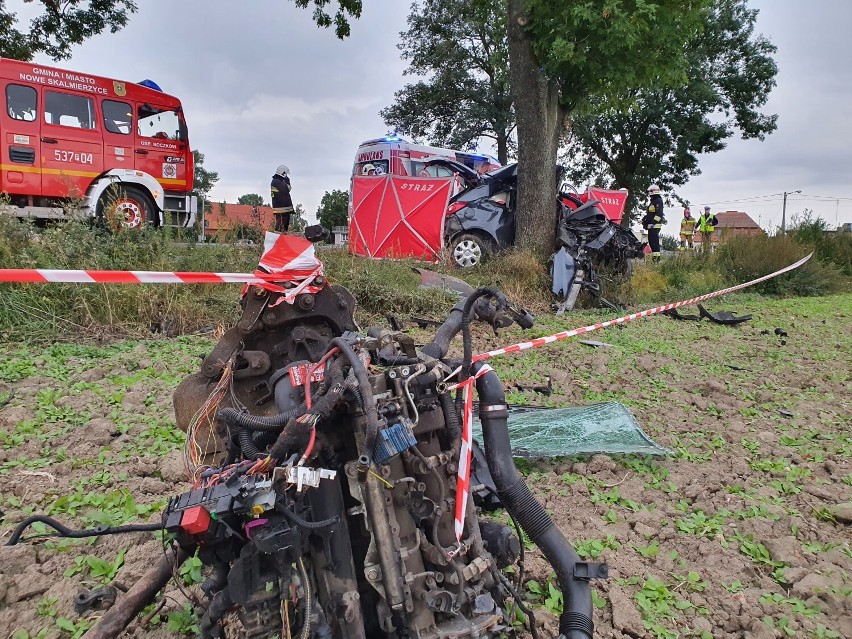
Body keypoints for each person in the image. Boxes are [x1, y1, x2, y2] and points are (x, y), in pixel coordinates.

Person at [641, 184, 666, 262]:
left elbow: (659, 215)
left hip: (655, 226)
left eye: (650, 192)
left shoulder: (658, 201)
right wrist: (645, 219)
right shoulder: (653, 202)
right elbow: (651, 214)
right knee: (651, 242)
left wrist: (653, 223)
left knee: (654, 243)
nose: (648, 194)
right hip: (651, 226)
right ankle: (655, 258)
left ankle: (656, 260)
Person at [271, 165, 294, 233]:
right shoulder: (277, 181)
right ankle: (277, 237)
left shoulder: (276, 181)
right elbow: (287, 189)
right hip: (281, 207)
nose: (286, 176)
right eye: (285, 174)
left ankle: (283, 235)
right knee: (281, 223)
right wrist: (287, 182)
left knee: (284, 223)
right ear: (282, 173)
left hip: (282, 207)